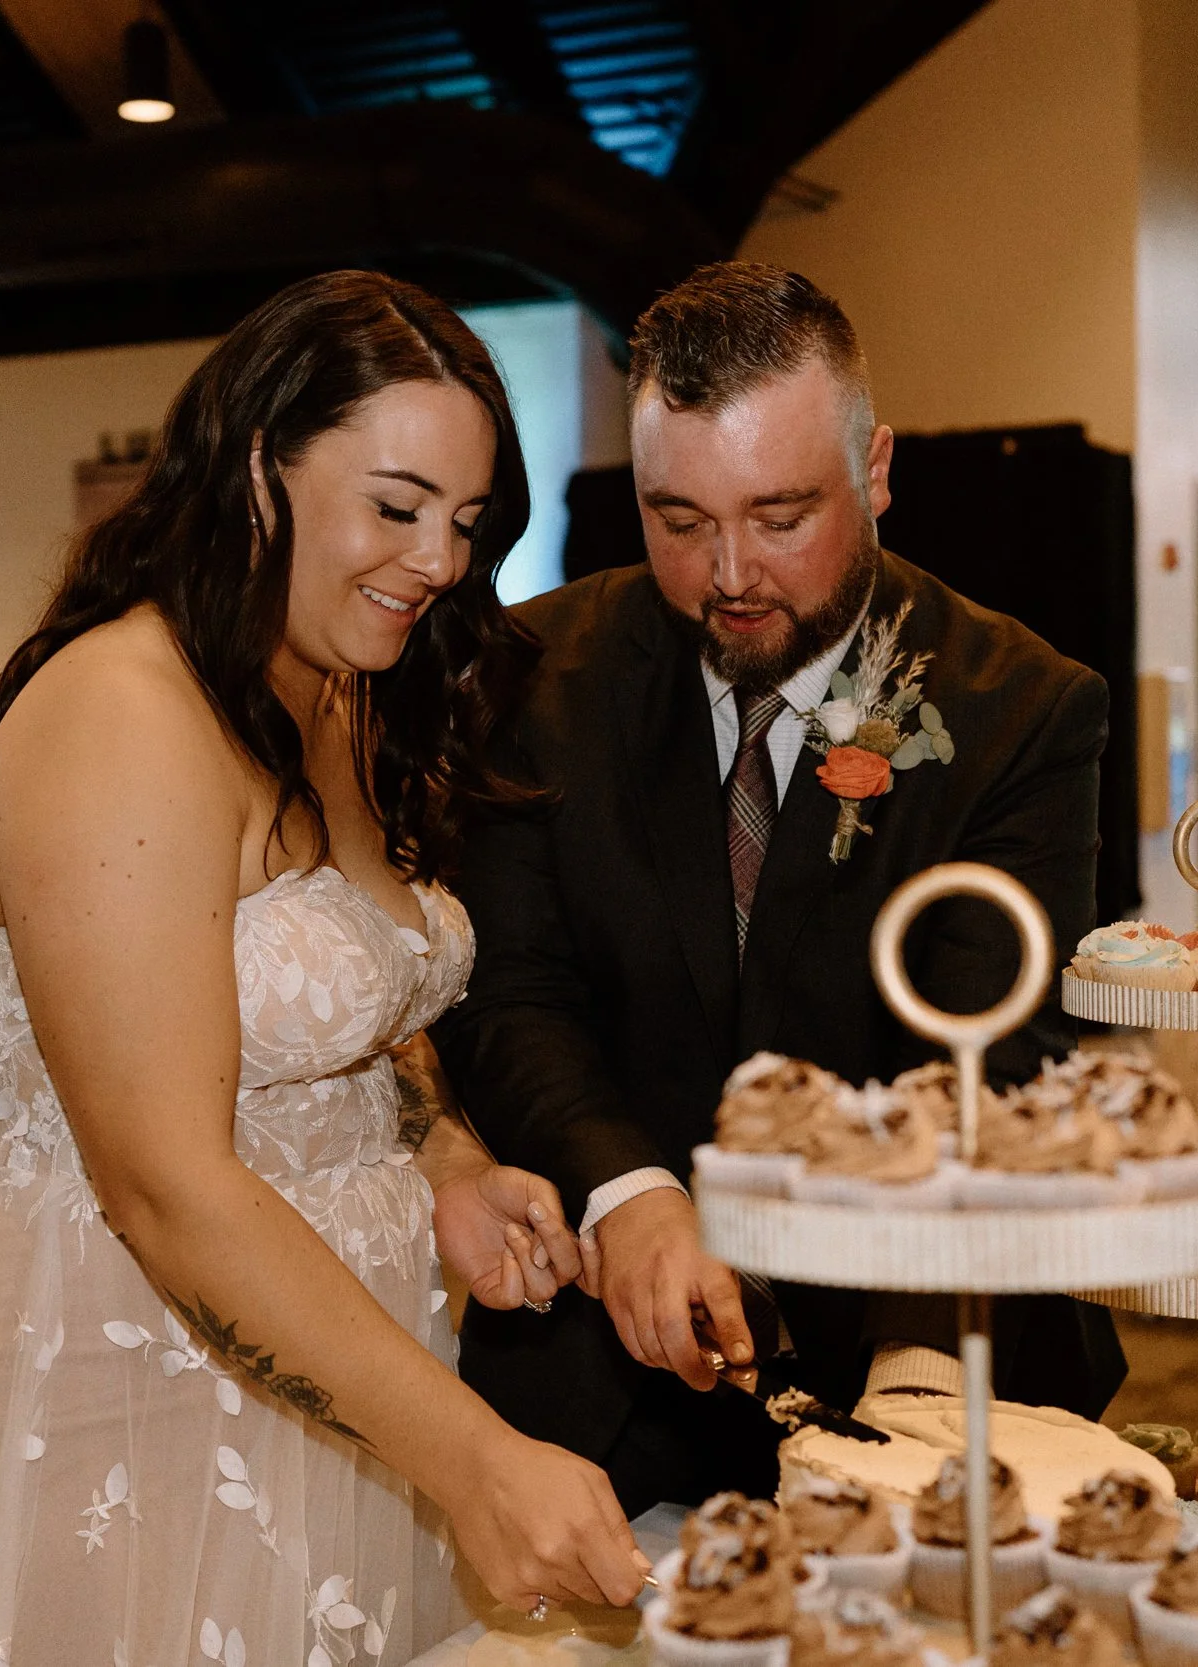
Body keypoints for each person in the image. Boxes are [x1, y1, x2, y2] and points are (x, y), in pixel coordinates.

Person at [0, 271, 644, 1667]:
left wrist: (447, 1160)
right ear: (255, 470)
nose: (438, 561)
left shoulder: (340, 687)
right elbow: (163, 1182)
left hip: (348, 1373)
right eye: (397, 507)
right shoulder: (121, 714)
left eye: (468, 523)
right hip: (120, 1372)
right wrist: (474, 1457)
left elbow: (362, 1010)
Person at [435, 261, 1126, 1516]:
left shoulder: (1020, 707)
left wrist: (914, 1393)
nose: (730, 573)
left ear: (875, 470)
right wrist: (629, 1192)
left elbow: (989, 1058)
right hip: (606, 1373)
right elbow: (515, 993)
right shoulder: (529, 672)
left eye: (781, 515)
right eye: (679, 520)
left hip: (925, 1345)